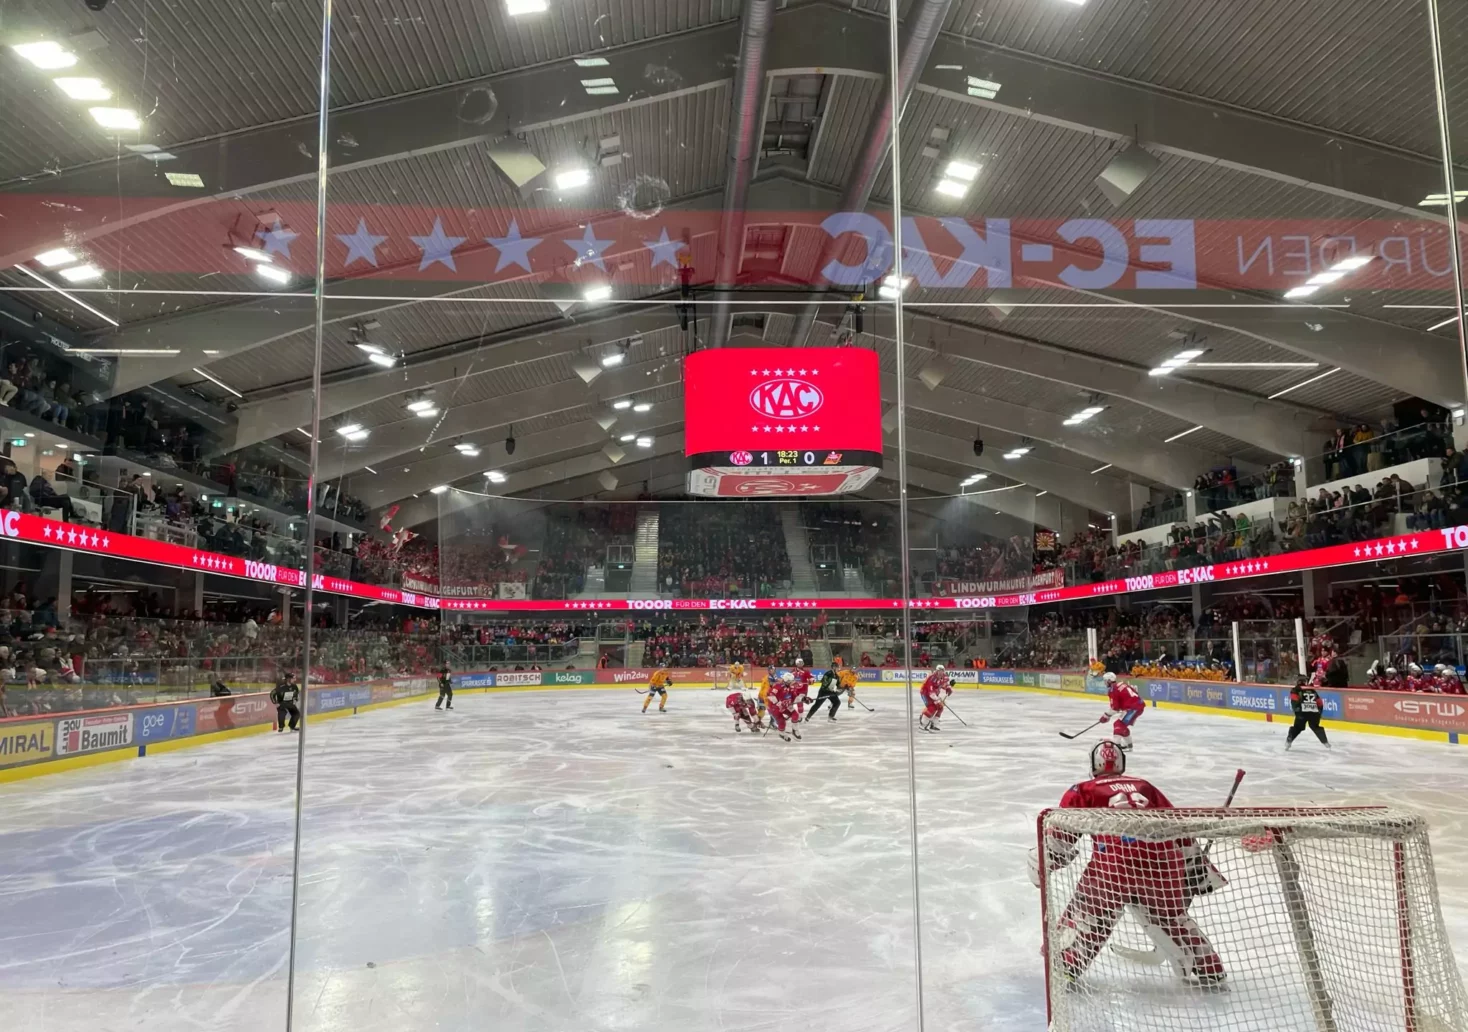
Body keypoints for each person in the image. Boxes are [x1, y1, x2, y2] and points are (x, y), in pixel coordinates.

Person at [1032, 741, 1226, 985]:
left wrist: (1044, 863)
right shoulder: (1144, 786)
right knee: (1172, 917)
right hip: (1164, 862)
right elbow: (1178, 826)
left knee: (1091, 913)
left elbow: (1060, 838)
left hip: (1115, 864)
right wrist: (1197, 868)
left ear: (1093, 765)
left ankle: (1068, 963)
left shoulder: (1082, 789)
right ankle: (1211, 969)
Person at [1102, 671, 1146, 750]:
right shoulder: (1122, 684)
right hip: (1137, 705)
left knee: (1118, 724)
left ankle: (1116, 746)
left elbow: (1114, 708)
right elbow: (1134, 693)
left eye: (1105, 681)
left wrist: (1105, 716)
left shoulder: (1113, 689)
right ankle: (1128, 745)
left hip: (1132, 708)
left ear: (1109, 681)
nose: (1104, 683)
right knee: (1122, 726)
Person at [1286, 676, 1329, 750]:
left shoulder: (1296, 690)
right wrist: (1319, 712)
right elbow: (1320, 703)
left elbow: (1294, 700)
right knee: (1315, 727)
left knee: (1297, 727)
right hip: (1314, 713)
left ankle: (1289, 741)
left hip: (1302, 713)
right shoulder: (1311, 690)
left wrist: (1297, 711)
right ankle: (1326, 743)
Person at [766, 672, 802, 742]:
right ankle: (781, 733)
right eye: (791, 681)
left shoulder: (791, 687)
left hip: (786, 706)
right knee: (782, 722)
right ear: (787, 681)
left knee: (795, 715)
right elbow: (770, 695)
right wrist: (778, 704)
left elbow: (794, 697)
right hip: (775, 707)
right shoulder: (778, 686)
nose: (793, 682)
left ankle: (795, 730)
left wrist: (804, 699)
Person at [918, 664, 951, 732]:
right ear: (936, 671)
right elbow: (931, 692)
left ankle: (934, 725)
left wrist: (948, 688)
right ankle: (922, 725)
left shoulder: (943, 677)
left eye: (942, 671)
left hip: (934, 694)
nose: (941, 672)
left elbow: (943, 684)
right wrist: (938, 699)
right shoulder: (931, 678)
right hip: (925, 694)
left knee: (940, 707)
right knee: (932, 707)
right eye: (939, 671)